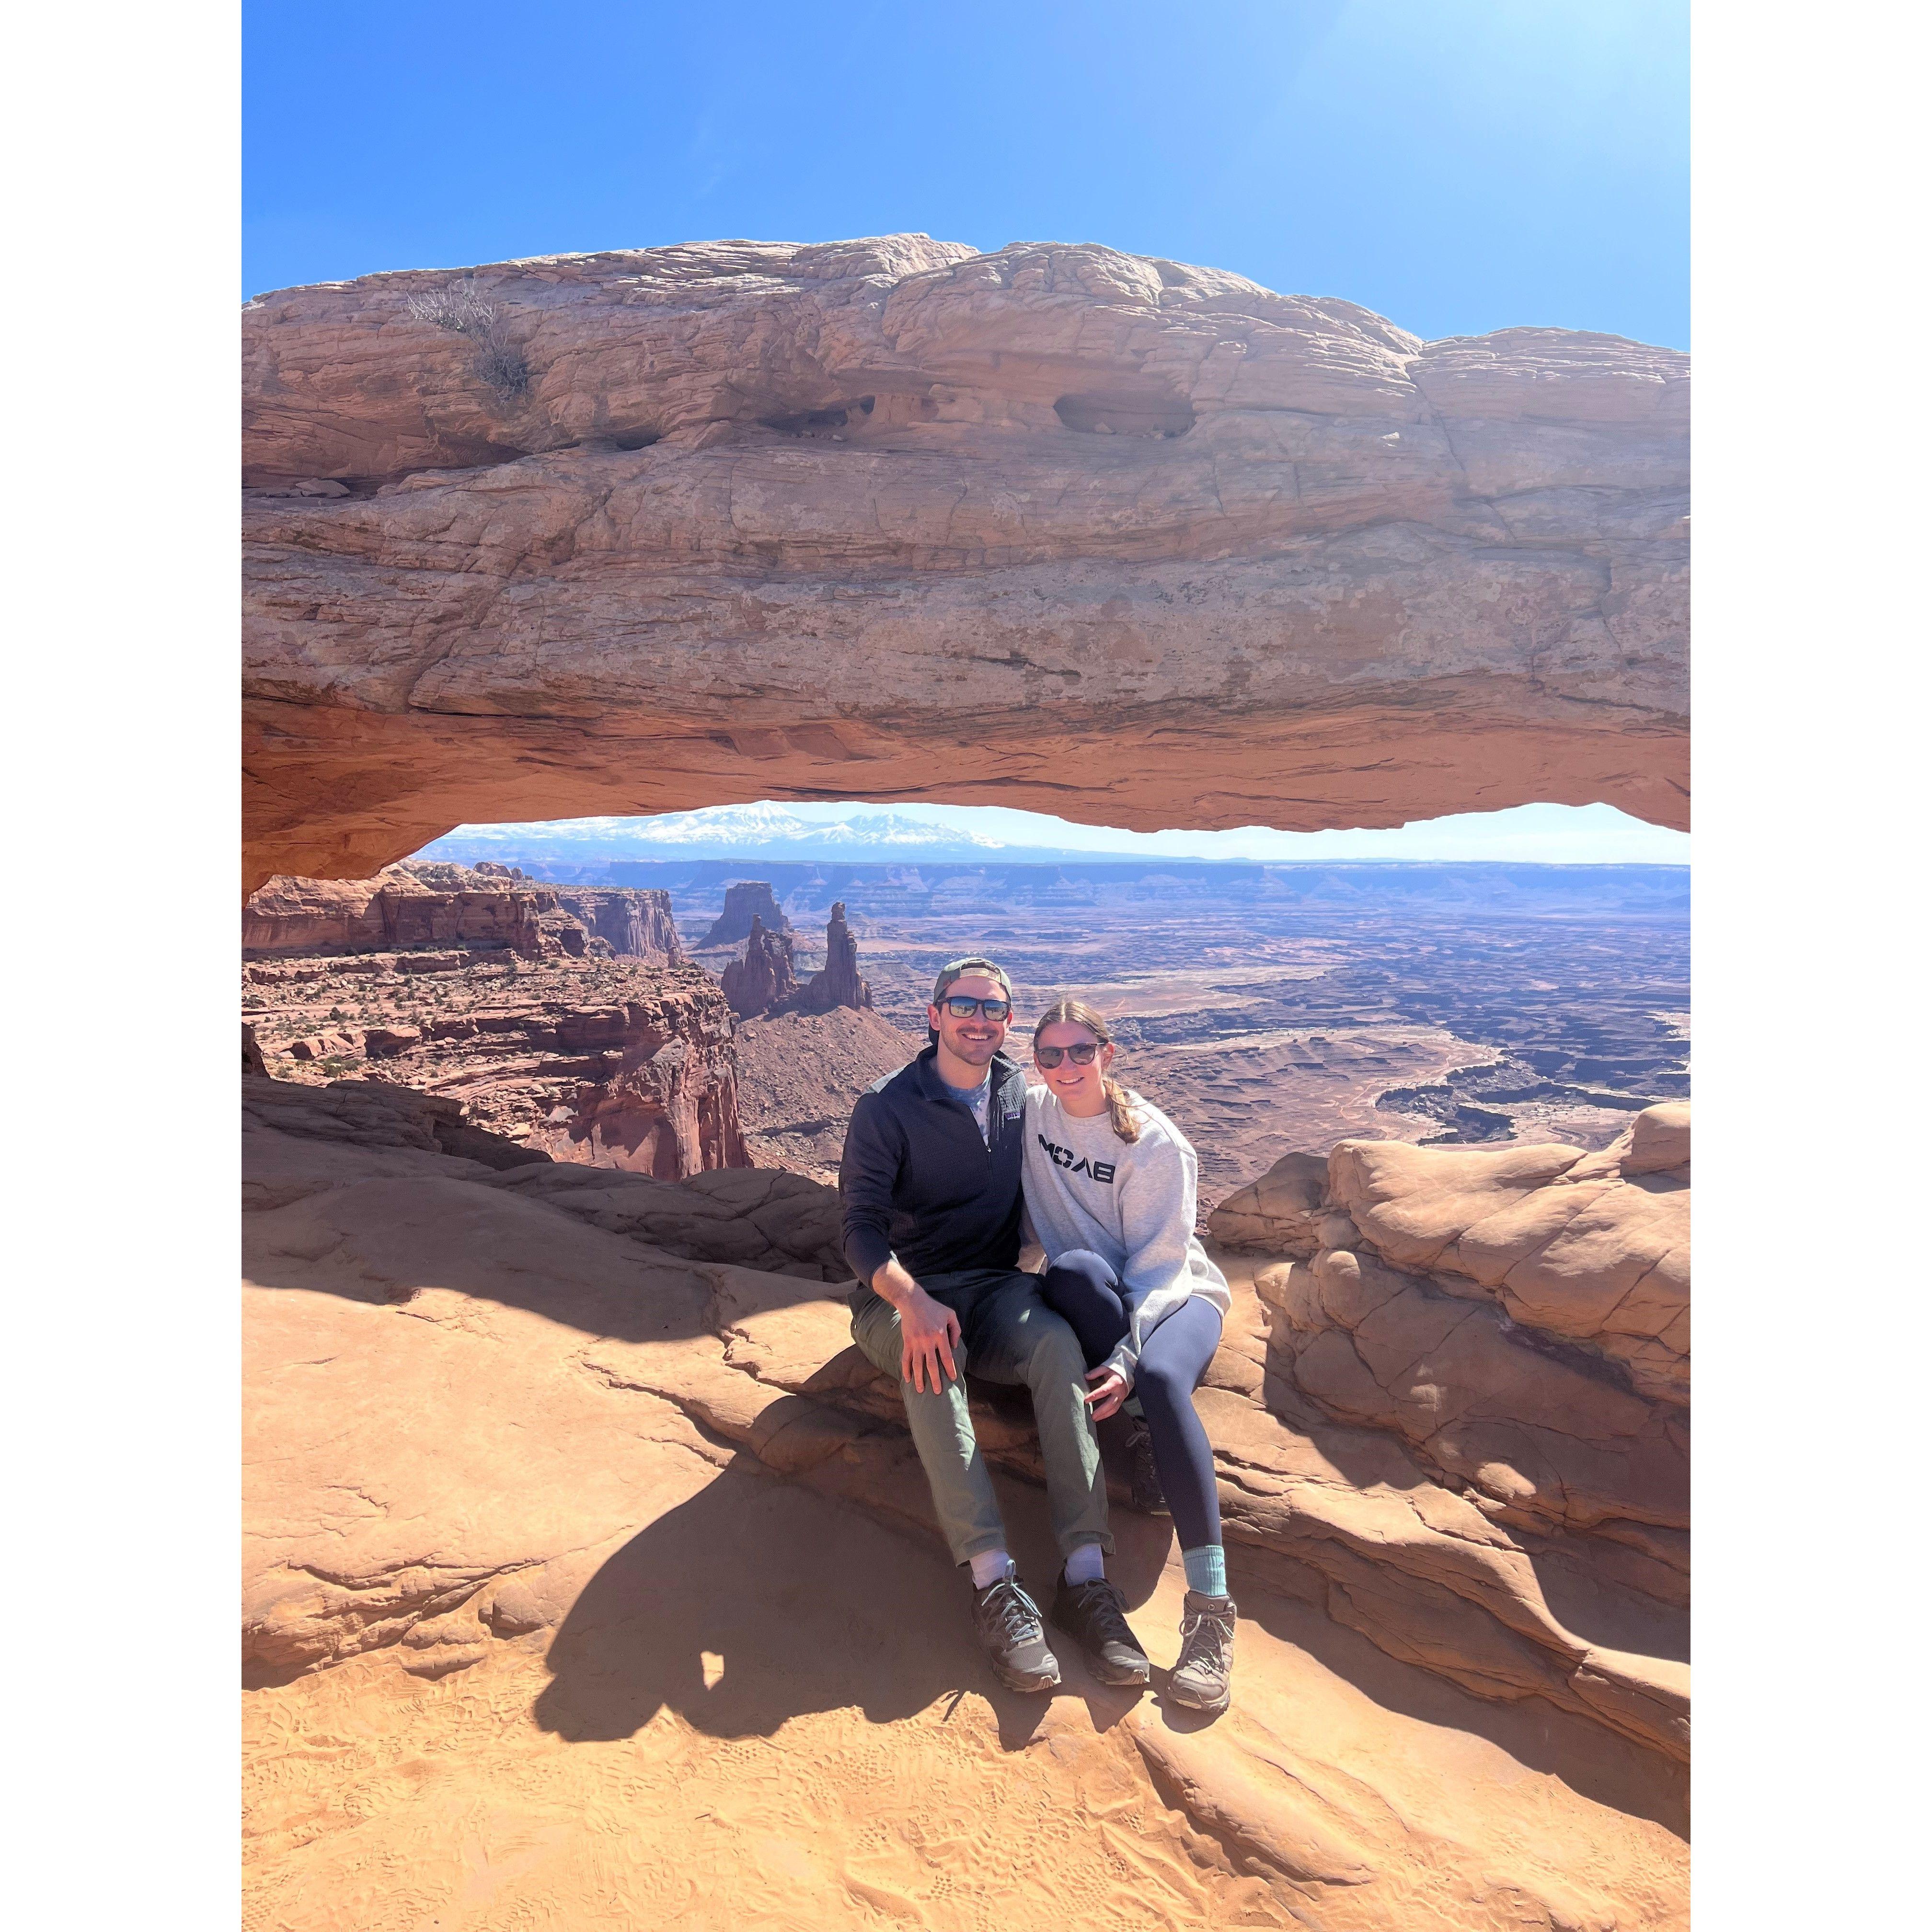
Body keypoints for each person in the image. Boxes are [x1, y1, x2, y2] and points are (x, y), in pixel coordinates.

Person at [839, 958, 1151, 1694]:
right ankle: (993, 1583)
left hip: (995, 1288)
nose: (980, 1020)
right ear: (934, 1012)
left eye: (995, 1010)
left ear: (1009, 1022)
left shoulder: (1021, 1091)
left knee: (1054, 1345)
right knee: (933, 1359)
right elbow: (857, 1231)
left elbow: (1094, 1117)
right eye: (965, 1006)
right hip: (902, 1298)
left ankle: (1084, 1578)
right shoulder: (886, 1106)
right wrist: (911, 1302)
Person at [1022, 998, 1239, 1715]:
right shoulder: (1031, 1112)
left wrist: (1126, 1354)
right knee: (1073, 1274)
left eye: (1079, 1052)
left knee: (1164, 1375)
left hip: (1174, 1297)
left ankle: (1210, 1613)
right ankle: (1141, 1427)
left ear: (1106, 1054)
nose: (1064, 1068)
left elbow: (1161, 1270)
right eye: (1049, 1055)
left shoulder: (1153, 1143)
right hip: (1103, 1291)